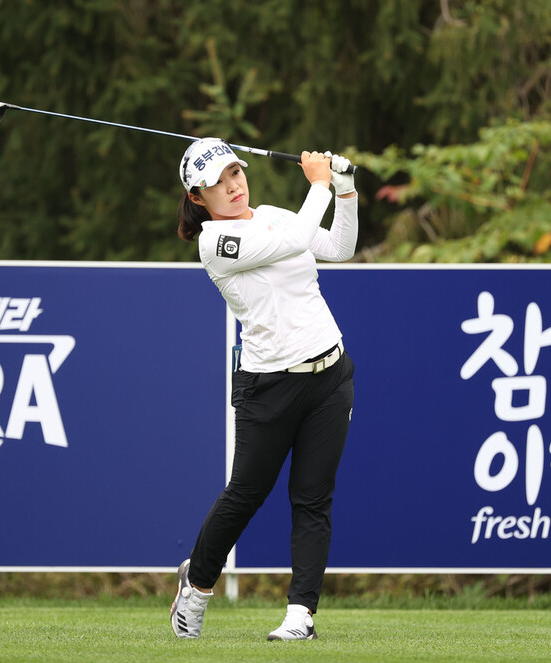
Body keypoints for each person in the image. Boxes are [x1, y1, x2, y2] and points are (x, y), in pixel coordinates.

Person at [170, 137, 357, 641]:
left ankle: (301, 616)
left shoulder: (273, 213)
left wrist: (344, 190)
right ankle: (197, 588)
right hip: (267, 386)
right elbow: (294, 241)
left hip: (329, 376)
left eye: (235, 173)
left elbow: (339, 248)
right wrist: (318, 183)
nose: (233, 186)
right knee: (246, 495)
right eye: (217, 184)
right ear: (197, 197)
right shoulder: (216, 244)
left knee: (313, 498)